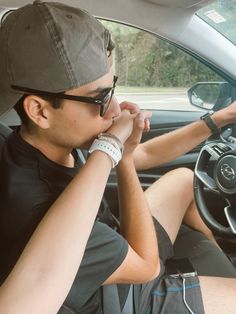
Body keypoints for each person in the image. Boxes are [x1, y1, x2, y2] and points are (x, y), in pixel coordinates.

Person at [0, 2, 236, 313]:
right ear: (39, 110)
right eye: (99, 98)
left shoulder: (51, 144)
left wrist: (220, 118)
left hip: (117, 250)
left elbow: (147, 153)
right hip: (122, 297)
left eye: (112, 89)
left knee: (182, 180)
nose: (114, 110)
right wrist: (120, 157)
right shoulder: (37, 208)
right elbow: (147, 267)